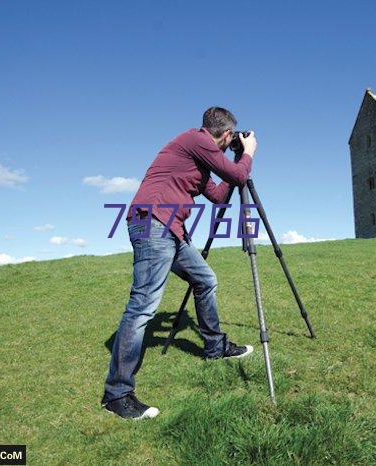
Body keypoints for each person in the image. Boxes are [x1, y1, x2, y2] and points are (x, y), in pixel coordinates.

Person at [101, 107, 258, 420]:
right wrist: (248, 154)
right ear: (226, 135)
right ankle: (116, 395)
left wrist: (236, 164)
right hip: (153, 223)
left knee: (205, 279)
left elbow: (217, 195)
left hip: (170, 227)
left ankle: (214, 347)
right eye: (231, 140)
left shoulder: (198, 160)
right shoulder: (195, 140)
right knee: (143, 306)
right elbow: (238, 174)